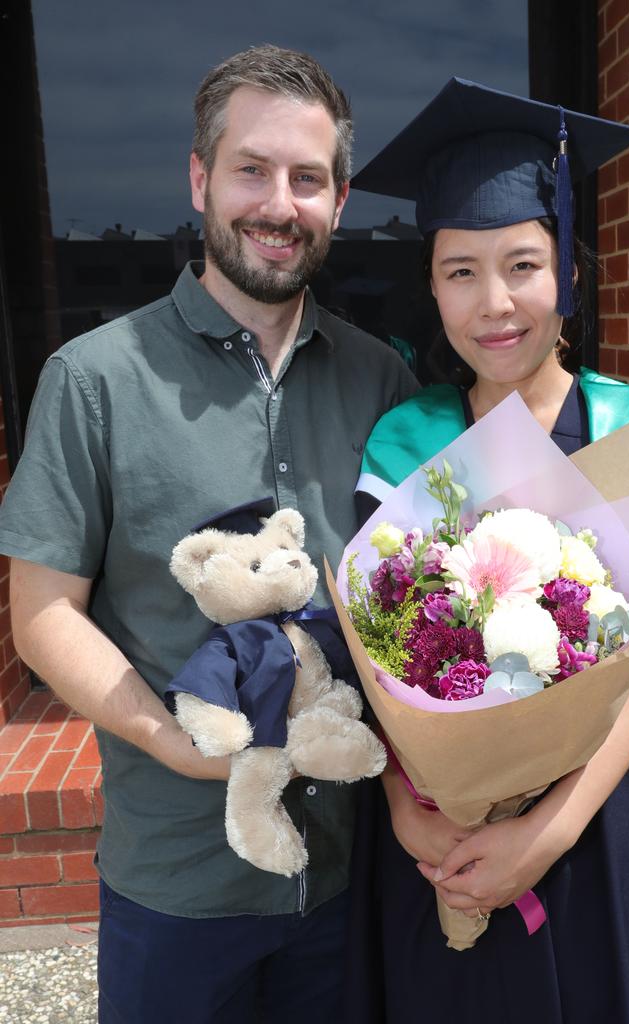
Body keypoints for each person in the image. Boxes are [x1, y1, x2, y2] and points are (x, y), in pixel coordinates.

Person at [0, 45, 417, 1023]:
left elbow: (408, 596)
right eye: (251, 169)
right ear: (199, 178)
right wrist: (172, 741)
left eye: (307, 178)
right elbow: (40, 613)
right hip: (178, 877)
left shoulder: (381, 382)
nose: (279, 203)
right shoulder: (95, 379)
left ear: (339, 199)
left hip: (343, 874)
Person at [347, 79, 629, 1022]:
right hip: (439, 851)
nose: (495, 303)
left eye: (523, 264)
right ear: (431, 286)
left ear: (571, 272)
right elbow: (370, 653)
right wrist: (411, 817)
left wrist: (543, 832)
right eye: (460, 271)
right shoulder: (401, 452)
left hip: (595, 841)